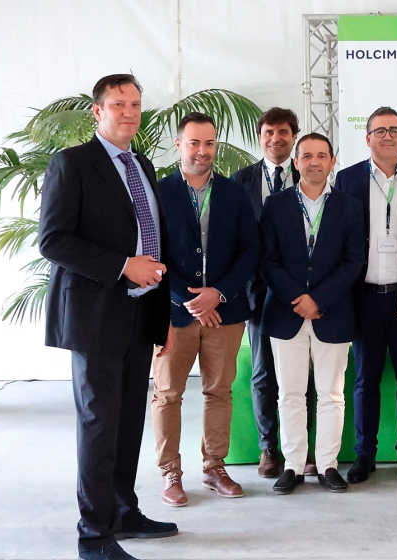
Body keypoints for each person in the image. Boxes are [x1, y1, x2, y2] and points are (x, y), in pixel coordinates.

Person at [38, 74, 177, 560]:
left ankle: (123, 511)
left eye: (136, 104)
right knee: (99, 426)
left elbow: (147, 231)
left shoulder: (142, 164)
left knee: (127, 423)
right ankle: (94, 535)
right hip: (95, 318)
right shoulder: (71, 164)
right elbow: (52, 240)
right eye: (119, 104)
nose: (130, 112)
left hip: (140, 315)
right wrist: (123, 267)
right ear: (98, 112)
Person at [151, 112, 260, 506]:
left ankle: (215, 467)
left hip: (225, 314)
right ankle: (170, 474)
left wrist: (219, 293)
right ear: (179, 145)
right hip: (174, 313)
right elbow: (150, 252)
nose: (202, 151)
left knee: (219, 391)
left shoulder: (234, 193)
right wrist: (188, 298)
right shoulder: (158, 193)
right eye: (194, 143)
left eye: (209, 143)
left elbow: (251, 250)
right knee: (168, 394)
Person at [259, 133, 365, 495]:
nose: (314, 162)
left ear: (332, 162)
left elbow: (354, 263)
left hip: (331, 313)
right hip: (285, 313)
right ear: (296, 162)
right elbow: (267, 261)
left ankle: (327, 465)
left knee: (331, 394)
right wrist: (298, 297)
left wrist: (317, 300)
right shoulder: (275, 205)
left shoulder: (350, 207)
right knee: (289, 393)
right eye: (307, 156)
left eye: (322, 155)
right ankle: (292, 465)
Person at [334, 107, 397, 484]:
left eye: (394, 130)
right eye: (379, 131)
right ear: (367, 137)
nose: (387, 136)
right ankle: (364, 455)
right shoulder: (347, 179)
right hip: (365, 297)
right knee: (364, 380)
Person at [231, 108, 319, 479]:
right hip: (260, 296)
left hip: (306, 296)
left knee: (307, 376)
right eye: (269, 132)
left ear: (293, 136)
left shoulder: (314, 177)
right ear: (260, 136)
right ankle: (269, 448)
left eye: (283, 132)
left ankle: (306, 450)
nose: (276, 138)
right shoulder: (240, 181)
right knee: (265, 373)